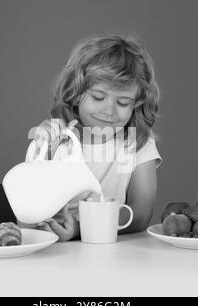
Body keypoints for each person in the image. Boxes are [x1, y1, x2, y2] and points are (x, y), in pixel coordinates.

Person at [26, 33, 162, 241]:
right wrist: (43, 154)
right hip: (55, 257)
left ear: (136, 103)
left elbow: (141, 215)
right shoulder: (56, 139)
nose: (109, 111)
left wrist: (81, 229)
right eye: (98, 97)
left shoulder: (138, 143)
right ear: (76, 92)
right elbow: (26, 218)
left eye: (123, 102)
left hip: (114, 256)